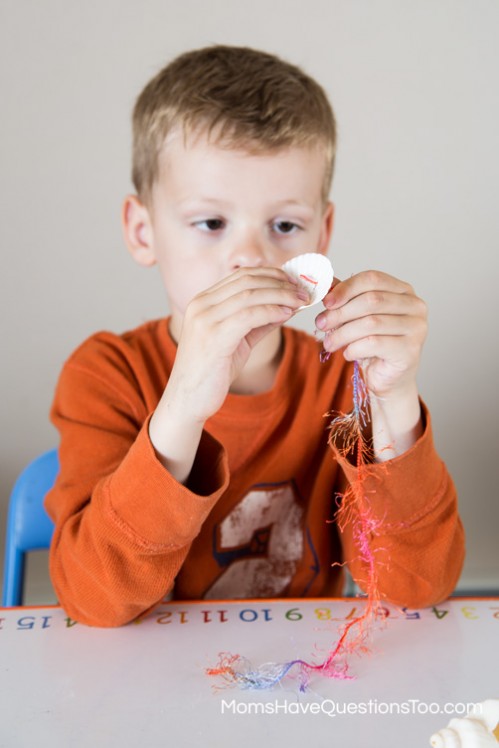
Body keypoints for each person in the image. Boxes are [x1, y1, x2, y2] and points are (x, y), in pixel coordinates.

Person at [45, 45, 464, 627]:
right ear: (143, 232)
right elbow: (93, 600)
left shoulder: (345, 376)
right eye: (211, 223)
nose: (250, 256)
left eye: (285, 225)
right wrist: (185, 404)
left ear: (323, 231)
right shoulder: (105, 374)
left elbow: (415, 587)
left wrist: (394, 402)